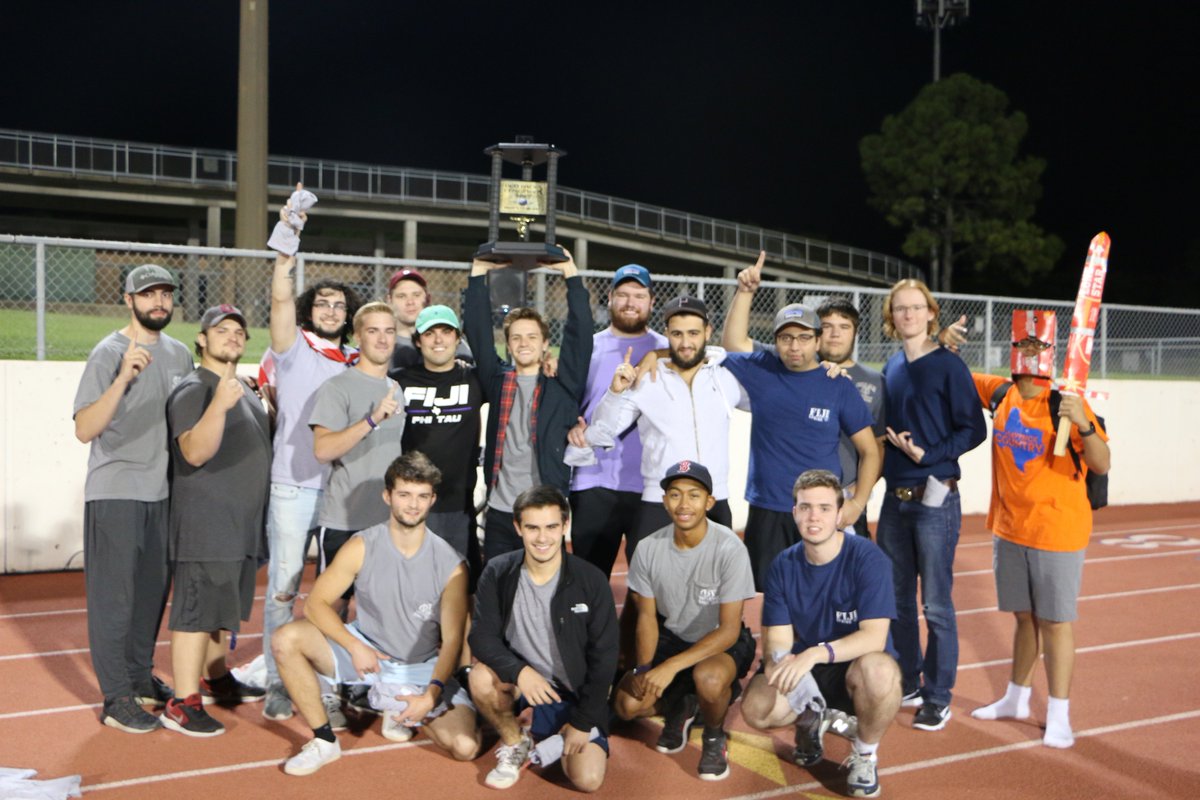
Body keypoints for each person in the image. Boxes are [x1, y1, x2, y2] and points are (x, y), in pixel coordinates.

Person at [273, 452, 478, 776]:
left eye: (422, 496)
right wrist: (354, 646)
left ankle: (401, 703)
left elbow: (453, 639)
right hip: (367, 653)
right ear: (388, 496)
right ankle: (324, 741)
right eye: (405, 494)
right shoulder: (362, 546)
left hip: (418, 668)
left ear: (432, 499)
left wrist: (431, 695)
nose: (413, 505)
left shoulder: (451, 564)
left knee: (465, 748)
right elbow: (315, 603)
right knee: (287, 639)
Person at [968, 311, 1110, 748]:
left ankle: (1060, 714)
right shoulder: (1001, 392)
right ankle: (1016, 697)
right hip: (1010, 529)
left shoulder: (1065, 401)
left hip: (1057, 530)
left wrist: (1083, 424)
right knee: (1023, 617)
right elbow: (947, 372)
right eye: (1023, 344)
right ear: (1011, 348)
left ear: (1052, 350)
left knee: (1055, 621)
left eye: (1039, 345)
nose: (1030, 352)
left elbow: (1102, 463)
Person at [73, 263, 194, 733]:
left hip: (162, 494)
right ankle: (115, 698)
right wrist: (122, 378)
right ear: (129, 300)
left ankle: (141, 677)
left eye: (165, 293)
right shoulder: (108, 352)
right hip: (116, 492)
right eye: (148, 295)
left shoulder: (180, 354)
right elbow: (85, 429)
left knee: (148, 597)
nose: (157, 302)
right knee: (114, 600)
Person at [720, 252, 880, 589]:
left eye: (804, 337)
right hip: (768, 508)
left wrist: (857, 503)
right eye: (786, 338)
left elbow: (870, 451)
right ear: (776, 341)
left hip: (819, 511)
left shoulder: (839, 386)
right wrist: (745, 291)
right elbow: (733, 343)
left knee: (823, 595)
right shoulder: (763, 367)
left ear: (818, 341)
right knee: (768, 596)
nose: (795, 346)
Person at [740, 469, 901, 799]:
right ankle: (811, 718)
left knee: (881, 672)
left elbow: (874, 638)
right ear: (794, 511)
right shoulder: (783, 565)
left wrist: (814, 653)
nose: (814, 517)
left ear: (840, 514)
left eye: (825, 508)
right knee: (756, 708)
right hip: (807, 666)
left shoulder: (868, 559)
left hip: (855, 664)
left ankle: (865, 754)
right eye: (806, 507)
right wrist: (788, 671)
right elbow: (778, 643)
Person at [875, 278, 986, 731]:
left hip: (935, 499)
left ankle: (938, 695)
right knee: (897, 602)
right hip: (893, 501)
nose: (908, 315)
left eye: (915, 307)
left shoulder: (949, 365)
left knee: (936, 605)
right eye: (899, 309)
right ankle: (909, 679)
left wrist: (931, 455)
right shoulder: (892, 364)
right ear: (891, 317)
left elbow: (973, 429)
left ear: (930, 312)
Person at [261, 239, 362, 721]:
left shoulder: (357, 358)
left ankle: (328, 685)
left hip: (342, 493)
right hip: (293, 486)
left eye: (339, 304)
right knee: (283, 588)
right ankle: (278, 682)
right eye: (322, 302)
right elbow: (280, 301)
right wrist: (285, 258)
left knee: (332, 596)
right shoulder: (292, 348)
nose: (330, 309)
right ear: (309, 309)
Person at [163, 305, 270, 736]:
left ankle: (215, 677)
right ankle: (182, 702)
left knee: (219, 609)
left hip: (238, 523)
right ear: (202, 339)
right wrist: (220, 406)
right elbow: (193, 451)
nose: (232, 336)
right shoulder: (196, 388)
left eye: (239, 330)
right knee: (195, 611)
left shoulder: (239, 387)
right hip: (205, 523)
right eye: (221, 330)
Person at [613, 461, 756, 781]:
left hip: (721, 641)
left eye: (693, 495)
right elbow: (646, 618)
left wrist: (671, 667)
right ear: (664, 501)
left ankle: (715, 737)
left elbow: (730, 629)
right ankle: (682, 703)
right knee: (626, 705)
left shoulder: (730, 548)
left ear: (708, 502)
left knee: (709, 678)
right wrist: (647, 669)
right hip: (672, 637)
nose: (683, 504)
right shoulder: (648, 549)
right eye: (675, 495)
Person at [468, 486, 618, 791]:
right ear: (518, 527)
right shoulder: (498, 572)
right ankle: (514, 741)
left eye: (551, 527)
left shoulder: (591, 580)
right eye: (532, 527)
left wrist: (582, 722)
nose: (542, 538)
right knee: (481, 678)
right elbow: (482, 638)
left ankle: (561, 731)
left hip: (574, 693)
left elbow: (605, 658)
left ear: (565, 526)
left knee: (587, 780)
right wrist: (520, 673)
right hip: (524, 682)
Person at [585, 296, 745, 547]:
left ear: (707, 332)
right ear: (667, 334)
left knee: (717, 584)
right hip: (659, 502)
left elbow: (772, 395)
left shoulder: (727, 376)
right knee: (650, 585)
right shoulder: (647, 378)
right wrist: (614, 393)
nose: (685, 343)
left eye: (693, 333)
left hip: (714, 499)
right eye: (677, 334)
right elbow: (600, 433)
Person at [463, 253, 593, 562]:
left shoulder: (562, 383)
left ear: (546, 343)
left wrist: (571, 276)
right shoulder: (497, 380)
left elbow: (581, 335)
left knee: (546, 595)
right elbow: (478, 331)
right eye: (516, 337)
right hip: (501, 509)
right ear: (507, 345)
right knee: (497, 592)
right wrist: (478, 273)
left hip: (545, 514)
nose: (524, 343)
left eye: (532, 337)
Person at [567, 264, 667, 578]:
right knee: (588, 583)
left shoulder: (668, 348)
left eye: (638, 295)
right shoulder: (587, 347)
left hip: (649, 486)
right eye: (622, 294)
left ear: (652, 301)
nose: (629, 302)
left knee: (650, 589)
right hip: (592, 481)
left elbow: (713, 354)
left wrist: (661, 355)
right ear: (609, 298)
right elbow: (566, 401)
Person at [310, 302, 405, 580]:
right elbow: (322, 450)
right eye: (373, 331)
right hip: (344, 520)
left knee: (380, 609)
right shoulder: (337, 387)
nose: (383, 338)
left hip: (386, 522)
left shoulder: (397, 389)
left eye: (389, 331)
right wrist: (372, 420)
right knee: (331, 606)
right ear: (358, 336)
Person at [390, 304, 484, 577]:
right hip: (411, 505)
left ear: (458, 338)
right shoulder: (397, 382)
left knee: (462, 587)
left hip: (458, 505)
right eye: (430, 334)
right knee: (409, 584)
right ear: (418, 341)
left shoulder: (475, 379)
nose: (439, 340)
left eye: (446, 332)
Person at [815, 298, 888, 539]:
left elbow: (878, 446)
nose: (835, 334)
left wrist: (858, 498)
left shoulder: (875, 381)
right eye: (827, 326)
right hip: (799, 497)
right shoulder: (800, 373)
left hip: (846, 499)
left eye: (844, 327)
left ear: (855, 333)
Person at [386, 267, 473, 371]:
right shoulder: (381, 343)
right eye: (401, 296)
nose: (410, 302)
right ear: (389, 300)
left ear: (428, 299)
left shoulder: (450, 342)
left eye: (416, 295)